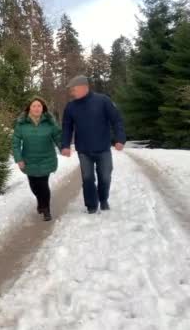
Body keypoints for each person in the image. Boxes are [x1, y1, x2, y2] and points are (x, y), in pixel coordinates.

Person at [61, 75, 126, 214]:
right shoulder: (71, 106)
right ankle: (91, 205)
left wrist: (120, 139)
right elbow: (67, 127)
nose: (72, 93)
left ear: (83, 87)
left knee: (105, 176)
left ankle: (103, 199)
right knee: (87, 178)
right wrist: (65, 145)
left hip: (103, 148)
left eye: (73, 89)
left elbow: (116, 120)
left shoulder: (103, 101)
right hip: (84, 150)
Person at [12, 97, 62, 221]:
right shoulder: (21, 124)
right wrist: (19, 159)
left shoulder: (50, 122)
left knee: (43, 184)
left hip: (46, 158)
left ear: (43, 108)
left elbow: (58, 137)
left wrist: (63, 148)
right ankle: (40, 202)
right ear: (29, 108)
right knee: (34, 185)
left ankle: (46, 210)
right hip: (29, 159)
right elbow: (15, 143)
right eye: (34, 106)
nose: (36, 108)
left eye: (39, 106)